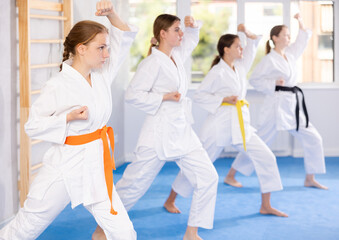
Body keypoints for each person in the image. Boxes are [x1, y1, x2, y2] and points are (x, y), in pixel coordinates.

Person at [0, 1, 137, 239]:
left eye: (107, 48)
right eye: (101, 48)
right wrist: (67, 117)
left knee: (125, 233)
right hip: (64, 168)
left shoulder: (102, 74)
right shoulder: (57, 86)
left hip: (96, 166)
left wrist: (112, 13)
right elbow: (32, 126)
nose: (107, 54)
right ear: (82, 49)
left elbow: (124, 37)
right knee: (25, 228)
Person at [164, 24, 288, 218]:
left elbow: (253, 45)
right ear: (226, 49)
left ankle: (266, 205)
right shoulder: (217, 72)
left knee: (267, 157)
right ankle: (170, 199)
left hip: (241, 125)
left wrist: (247, 34)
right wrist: (222, 99)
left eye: (241, 46)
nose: (242, 50)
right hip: (219, 125)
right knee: (199, 164)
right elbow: (199, 96)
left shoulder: (239, 67)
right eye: (238, 46)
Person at [114, 14, 218, 240]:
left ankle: (192, 233)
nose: (181, 34)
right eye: (177, 30)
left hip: (182, 130)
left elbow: (191, 39)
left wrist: (194, 26)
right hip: (158, 132)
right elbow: (132, 95)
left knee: (208, 177)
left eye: (181, 30)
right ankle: (104, 228)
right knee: (134, 184)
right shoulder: (152, 62)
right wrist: (163, 97)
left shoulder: (176, 56)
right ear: (163, 34)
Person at [226, 13, 327, 190]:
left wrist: (300, 21)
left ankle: (310, 177)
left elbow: (302, 40)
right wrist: (274, 83)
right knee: (260, 142)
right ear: (275, 38)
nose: (289, 38)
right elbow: (255, 80)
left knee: (313, 137)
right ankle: (231, 175)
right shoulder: (269, 59)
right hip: (276, 105)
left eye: (289, 35)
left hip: (293, 104)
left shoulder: (290, 54)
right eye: (286, 35)